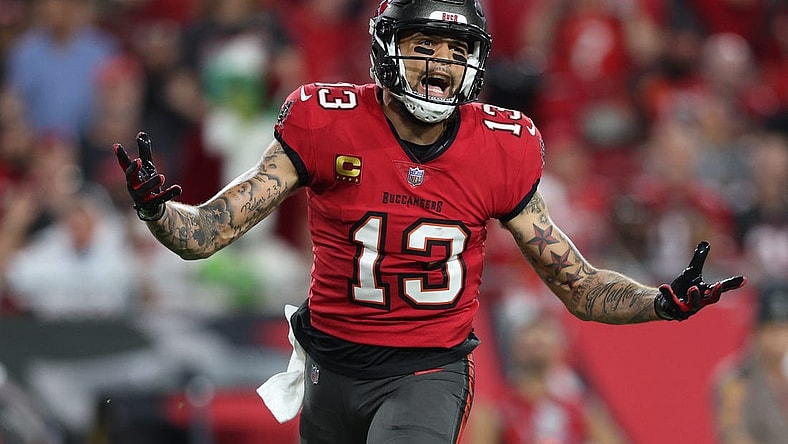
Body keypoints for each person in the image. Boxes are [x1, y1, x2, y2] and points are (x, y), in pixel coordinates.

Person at [112, 1, 746, 442]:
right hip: (330, 367)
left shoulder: (501, 146)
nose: (441, 63)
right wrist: (156, 210)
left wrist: (659, 303)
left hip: (426, 371)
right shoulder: (326, 120)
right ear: (388, 48)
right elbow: (206, 234)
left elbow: (577, 285)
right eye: (425, 46)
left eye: (456, 49)